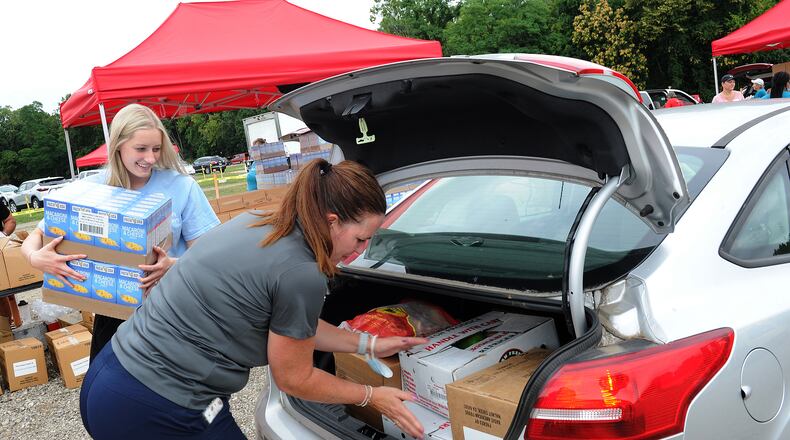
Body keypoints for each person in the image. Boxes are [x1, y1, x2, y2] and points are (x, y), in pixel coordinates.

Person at [80, 159, 428, 439]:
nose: (360, 251)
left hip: (111, 375)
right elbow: (294, 378)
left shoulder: (258, 223)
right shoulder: (300, 271)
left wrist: (367, 344)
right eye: (361, 239)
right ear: (333, 222)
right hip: (158, 403)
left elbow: (296, 327)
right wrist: (372, 396)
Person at [21, 103, 220, 361]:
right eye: (140, 149)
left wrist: (174, 265)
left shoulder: (182, 187)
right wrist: (36, 258)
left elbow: (211, 253)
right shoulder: (91, 189)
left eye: (156, 149)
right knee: (106, 392)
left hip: (173, 310)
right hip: (113, 314)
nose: (150, 158)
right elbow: (36, 237)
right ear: (118, 146)